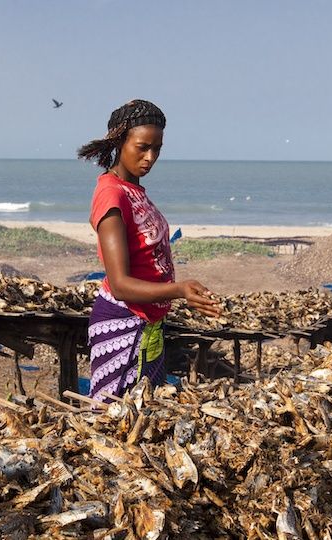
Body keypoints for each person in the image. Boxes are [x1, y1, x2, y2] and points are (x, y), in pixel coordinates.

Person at [77, 99, 221, 404]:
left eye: (157, 148)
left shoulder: (135, 192)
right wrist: (179, 289)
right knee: (115, 423)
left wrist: (175, 293)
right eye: (142, 147)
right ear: (120, 141)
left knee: (147, 415)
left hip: (148, 325)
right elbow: (120, 284)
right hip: (122, 324)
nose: (150, 157)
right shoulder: (111, 195)